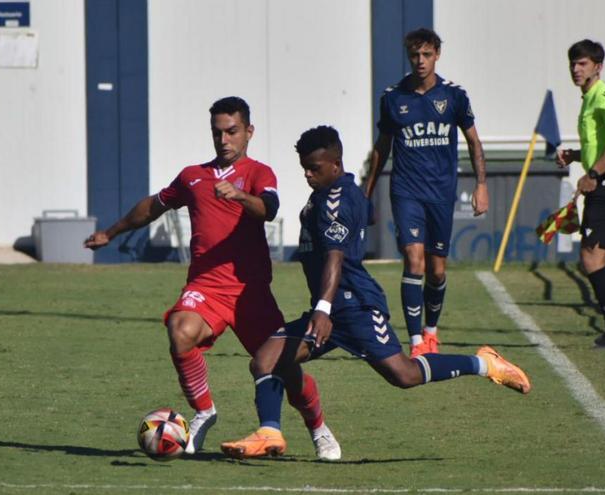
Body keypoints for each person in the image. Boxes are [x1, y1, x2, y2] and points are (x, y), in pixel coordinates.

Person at [220, 126, 529, 459]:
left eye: (314, 168)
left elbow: (336, 257)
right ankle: (271, 432)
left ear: (335, 164)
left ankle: (483, 363)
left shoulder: (336, 200)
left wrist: (323, 308)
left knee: (404, 375)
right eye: (304, 168)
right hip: (328, 310)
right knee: (265, 360)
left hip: (355, 307)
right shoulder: (329, 193)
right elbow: (366, 215)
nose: (307, 174)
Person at [83, 97, 340, 460]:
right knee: (180, 330)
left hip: (251, 293)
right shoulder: (193, 176)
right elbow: (152, 206)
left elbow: (269, 209)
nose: (224, 140)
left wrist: (238, 195)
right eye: (217, 132)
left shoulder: (258, 173)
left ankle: (318, 427)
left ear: (249, 132)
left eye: (232, 131)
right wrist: (112, 232)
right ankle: (204, 410)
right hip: (206, 288)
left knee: (286, 370)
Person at [364, 28, 488, 357]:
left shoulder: (454, 96)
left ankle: (431, 331)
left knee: (436, 270)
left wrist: (481, 185)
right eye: (415, 55)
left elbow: (474, 141)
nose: (420, 61)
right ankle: (416, 342)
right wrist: (367, 192)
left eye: (426, 55)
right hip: (406, 192)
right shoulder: (393, 97)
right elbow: (382, 147)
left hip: (441, 194)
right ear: (409, 57)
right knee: (414, 261)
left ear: (437, 55)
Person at [555, 40, 605, 349]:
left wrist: (593, 174)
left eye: (583, 64)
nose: (576, 69)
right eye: (573, 64)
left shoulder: (604, 95)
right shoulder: (589, 99)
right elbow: (602, 143)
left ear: (598, 66)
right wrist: (577, 155)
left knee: (590, 258)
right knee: (602, 257)